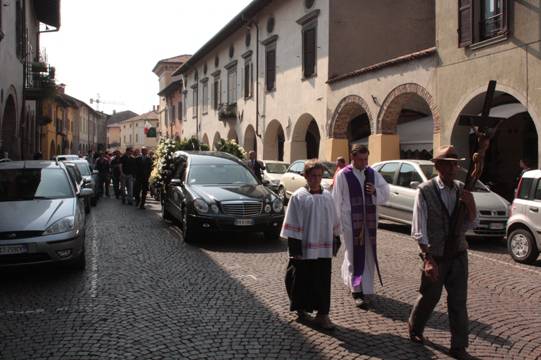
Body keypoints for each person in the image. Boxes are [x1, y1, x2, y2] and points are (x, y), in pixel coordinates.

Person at [408, 145, 477, 360]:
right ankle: (415, 325)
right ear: (437, 165)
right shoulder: (425, 191)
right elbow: (418, 229)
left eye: (455, 164)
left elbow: (473, 222)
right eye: (447, 164)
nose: (452, 168)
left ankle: (459, 346)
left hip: (458, 254)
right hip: (435, 255)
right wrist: (428, 258)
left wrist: (471, 203)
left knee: (458, 301)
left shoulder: (460, 189)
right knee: (430, 296)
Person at [281, 160, 341, 330]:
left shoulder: (328, 196)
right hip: (304, 247)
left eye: (320, 176)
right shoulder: (299, 196)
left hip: (323, 248)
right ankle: (301, 308)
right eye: (313, 176)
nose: (316, 179)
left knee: (322, 281)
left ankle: (323, 315)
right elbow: (292, 222)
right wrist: (295, 249)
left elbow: (334, 220)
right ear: (306, 176)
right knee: (301, 279)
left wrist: (336, 238)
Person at [332, 144, 390, 309]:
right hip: (351, 223)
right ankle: (357, 290)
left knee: (369, 255)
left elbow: (386, 192)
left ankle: (368, 289)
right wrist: (336, 226)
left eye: (366, 159)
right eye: (361, 159)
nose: (364, 163)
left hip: (369, 222)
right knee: (354, 256)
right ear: (352, 157)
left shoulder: (372, 173)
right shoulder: (344, 175)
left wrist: (375, 191)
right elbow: (336, 200)